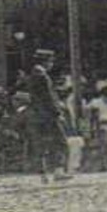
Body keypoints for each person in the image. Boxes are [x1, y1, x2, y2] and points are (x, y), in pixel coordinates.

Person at [24, 51, 71, 182]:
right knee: (60, 141)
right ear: (46, 61)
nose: (51, 64)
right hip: (48, 114)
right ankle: (58, 171)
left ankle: (43, 173)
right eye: (50, 61)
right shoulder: (42, 76)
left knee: (41, 144)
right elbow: (48, 97)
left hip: (36, 114)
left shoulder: (33, 75)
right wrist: (57, 113)